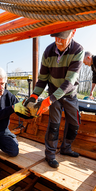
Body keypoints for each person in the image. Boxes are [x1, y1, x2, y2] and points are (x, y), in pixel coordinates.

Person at [25, 29, 84, 168]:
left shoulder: (78, 50)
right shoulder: (48, 51)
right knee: (54, 124)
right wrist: (34, 96)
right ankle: (50, 155)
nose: (58, 41)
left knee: (75, 123)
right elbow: (43, 79)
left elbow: (69, 82)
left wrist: (49, 100)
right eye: (56, 37)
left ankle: (66, 148)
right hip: (53, 93)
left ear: (73, 33)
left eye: (62, 37)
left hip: (69, 94)